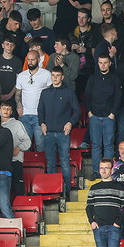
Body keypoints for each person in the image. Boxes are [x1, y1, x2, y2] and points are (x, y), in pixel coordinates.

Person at [38, 67, 80, 196]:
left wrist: (70, 123)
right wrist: (42, 123)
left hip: (63, 133)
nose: (55, 77)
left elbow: (77, 111)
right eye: (53, 75)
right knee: (50, 163)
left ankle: (66, 193)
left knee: (65, 163)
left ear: (62, 77)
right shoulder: (45, 92)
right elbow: (40, 110)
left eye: (57, 75)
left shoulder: (69, 92)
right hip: (48, 133)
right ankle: (53, 192)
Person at [86, 160, 124, 247]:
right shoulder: (94, 188)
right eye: (101, 168)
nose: (104, 170)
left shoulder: (119, 187)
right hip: (98, 227)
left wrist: (118, 222)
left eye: (106, 168)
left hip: (114, 227)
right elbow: (89, 207)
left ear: (112, 170)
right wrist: (92, 221)